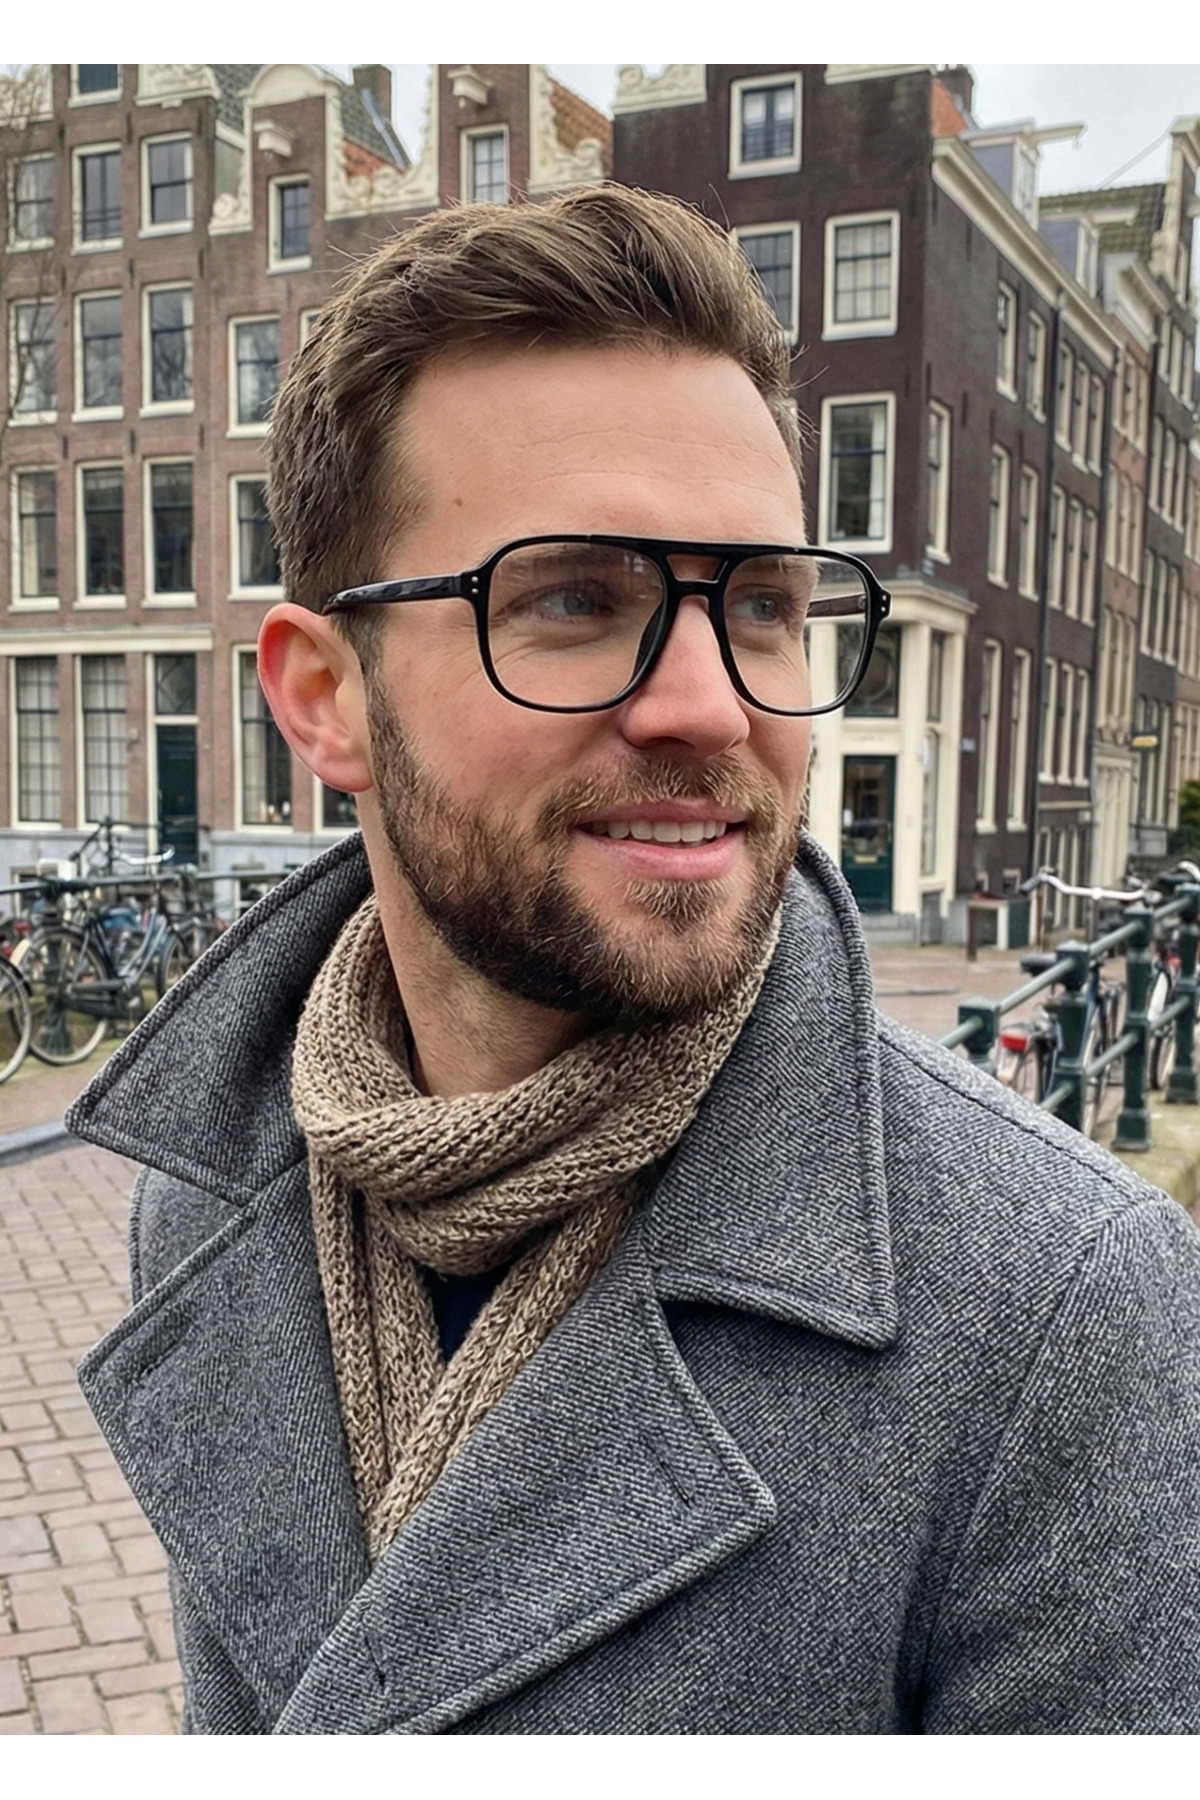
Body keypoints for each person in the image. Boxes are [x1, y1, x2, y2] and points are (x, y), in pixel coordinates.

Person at [73, 185, 1200, 1735]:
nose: (711, 706)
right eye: (574, 599)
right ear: (326, 700)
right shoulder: (212, 1189)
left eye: (764, 605)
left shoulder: (1067, 1317)